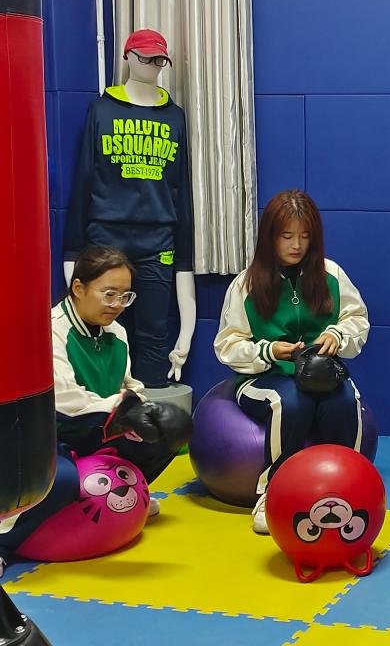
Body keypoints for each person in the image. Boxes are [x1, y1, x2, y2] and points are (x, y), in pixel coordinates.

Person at [0, 245, 191, 576]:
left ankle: (125, 495)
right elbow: (63, 398)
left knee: (167, 433)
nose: (117, 305)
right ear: (78, 288)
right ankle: (4, 543)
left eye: (125, 296)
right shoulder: (51, 329)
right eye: (109, 294)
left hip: (95, 429)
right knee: (61, 481)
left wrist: (144, 408)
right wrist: (124, 407)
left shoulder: (117, 333)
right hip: (47, 436)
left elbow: (128, 384)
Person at [214, 189, 370, 534]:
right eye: (286, 236)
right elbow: (228, 345)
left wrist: (338, 335)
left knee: (345, 401)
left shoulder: (331, 274)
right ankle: (272, 493)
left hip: (322, 373)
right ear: (270, 237)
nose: (296, 245)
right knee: (291, 404)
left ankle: (349, 490)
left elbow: (357, 320)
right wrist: (269, 351)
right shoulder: (246, 284)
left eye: (304, 236)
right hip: (265, 377)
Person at [62, 29, 196, 389]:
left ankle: (151, 416)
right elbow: (84, 180)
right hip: (106, 236)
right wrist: (72, 254)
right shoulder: (102, 110)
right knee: (102, 328)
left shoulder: (174, 117)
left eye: (159, 59)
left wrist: (184, 259)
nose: (153, 64)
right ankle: (103, 410)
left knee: (154, 333)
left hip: (159, 239)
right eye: (145, 56)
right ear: (128, 57)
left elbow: (181, 189)